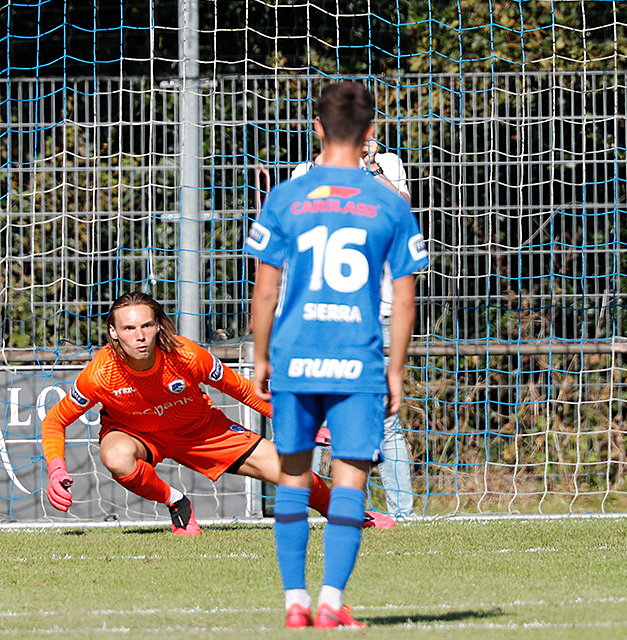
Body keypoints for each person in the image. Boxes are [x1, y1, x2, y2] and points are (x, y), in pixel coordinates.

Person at [246, 80, 428, 628]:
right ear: (371, 133)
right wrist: (395, 370)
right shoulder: (389, 203)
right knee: (350, 479)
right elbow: (403, 294)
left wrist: (259, 358)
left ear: (317, 128)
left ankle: (294, 604)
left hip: (297, 355)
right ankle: (331, 602)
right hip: (360, 357)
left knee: (296, 478)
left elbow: (264, 287)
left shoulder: (285, 195)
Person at [40, 291, 393, 535]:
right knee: (115, 456)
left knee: (296, 478)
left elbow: (239, 388)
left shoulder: (186, 355)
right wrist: (56, 469)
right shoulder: (101, 374)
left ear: (159, 325)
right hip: (138, 436)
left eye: (147, 325)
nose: (140, 336)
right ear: (114, 333)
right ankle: (176, 502)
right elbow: (55, 420)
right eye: (129, 328)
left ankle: (345, 512)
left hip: (204, 432)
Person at [292, 128, 416, 519]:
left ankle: (404, 514)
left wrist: (369, 167)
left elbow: (401, 212)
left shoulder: (387, 165)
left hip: (372, 313)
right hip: (320, 314)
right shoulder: (303, 173)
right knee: (311, 416)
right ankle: (310, 508)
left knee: (385, 420)